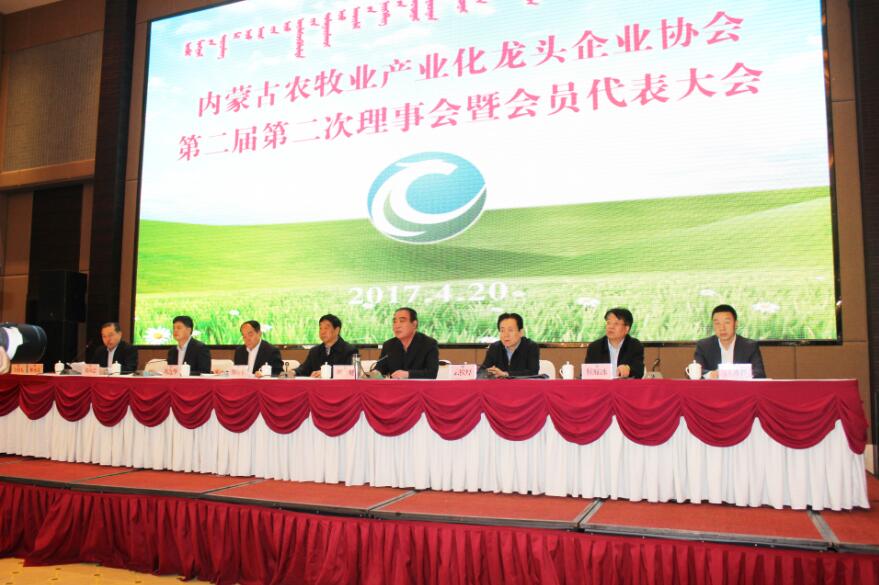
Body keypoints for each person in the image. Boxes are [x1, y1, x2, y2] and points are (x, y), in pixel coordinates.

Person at [694, 304, 766, 379]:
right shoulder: (704, 346)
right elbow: (696, 370)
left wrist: (736, 374)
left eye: (727, 322)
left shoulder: (750, 346)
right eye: (717, 323)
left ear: (736, 324)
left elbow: (759, 374)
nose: (722, 328)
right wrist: (710, 374)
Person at [375, 307, 439, 379]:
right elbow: (380, 369)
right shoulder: (388, 345)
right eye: (394, 321)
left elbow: (431, 374)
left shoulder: (429, 344)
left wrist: (407, 374)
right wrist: (374, 373)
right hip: (395, 386)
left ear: (414, 324)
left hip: (419, 386)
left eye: (402, 321)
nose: (397, 326)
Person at [584, 307, 644, 378]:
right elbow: (586, 374)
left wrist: (629, 369)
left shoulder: (635, 346)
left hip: (624, 385)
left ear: (626, 329)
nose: (611, 327)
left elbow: (639, 371)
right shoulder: (595, 347)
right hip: (601, 385)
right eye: (608, 323)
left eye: (616, 323)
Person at [294, 314, 358, 377]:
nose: (322, 332)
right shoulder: (314, 351)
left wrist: (327, 373)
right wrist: (293, 372)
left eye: (326, 328)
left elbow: (351, 372)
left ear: (337, 330)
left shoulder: (350, 350)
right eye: (320, 328)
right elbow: (304, 369)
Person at [481, 312, 540, 378]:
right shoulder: (494, 347)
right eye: (502, 330)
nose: (506, 335)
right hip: (500, 384)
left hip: (522, 384)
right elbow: (482, 371)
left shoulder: (531, 347)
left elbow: (533, 372)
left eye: (510, 330)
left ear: (521, 332)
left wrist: (505, 374)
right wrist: (489, 372)